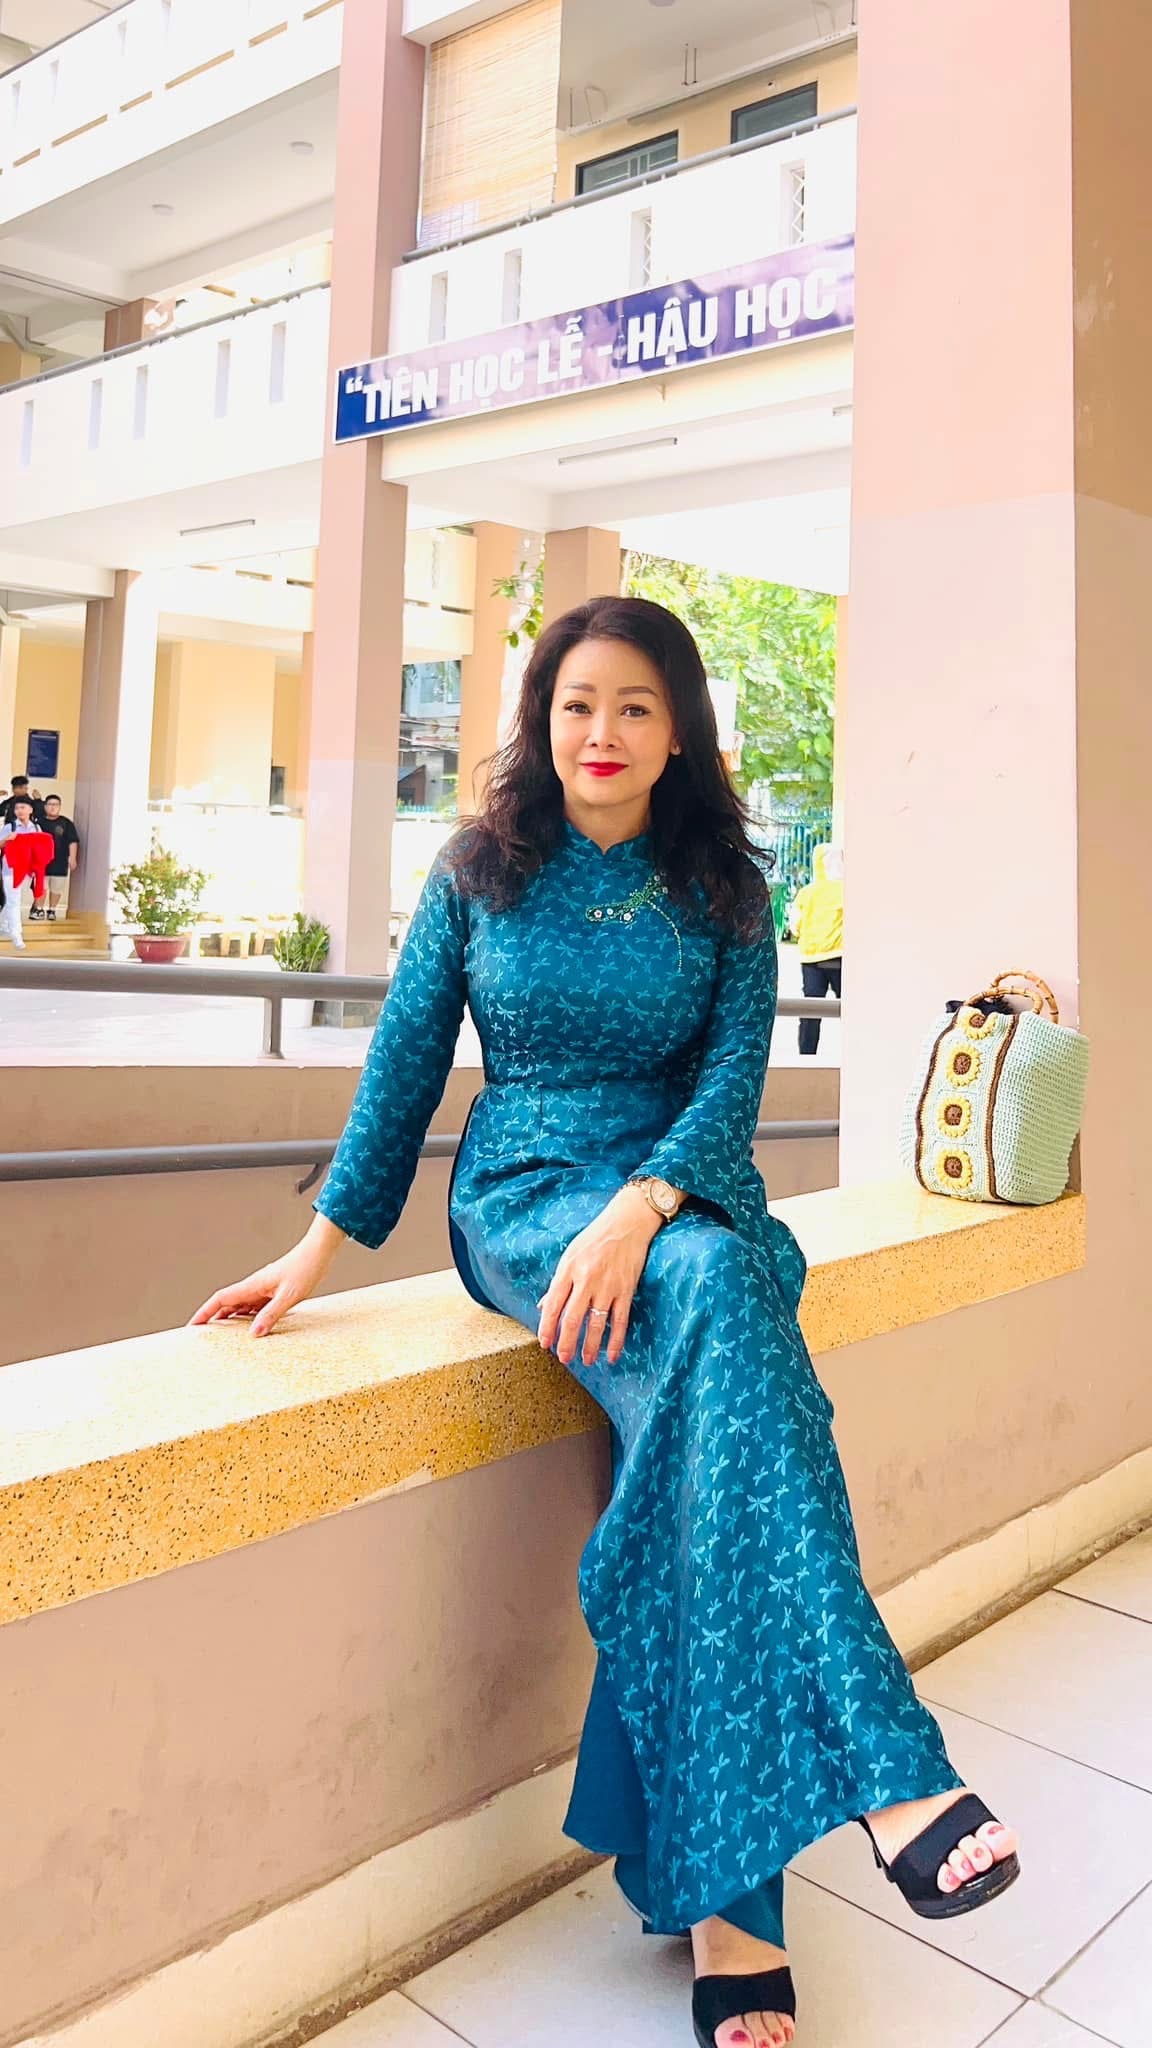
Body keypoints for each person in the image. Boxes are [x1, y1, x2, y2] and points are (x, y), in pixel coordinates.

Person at [192, 598, 1019, 2048]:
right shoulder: (479, 870)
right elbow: (403, 1067)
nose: (603, 731)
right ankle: (888, 1770)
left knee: (707, 1410)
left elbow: (732, 1085)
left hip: (676, 1195)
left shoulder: (728, 888)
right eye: (579, 703)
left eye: (636, 705)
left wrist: (643, 1206)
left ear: (679, 727)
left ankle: (730, 1911)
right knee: (722, 1307)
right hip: (525, 1196)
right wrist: (319, 1249)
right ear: (543, 717)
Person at [791, 844, 843, 1056]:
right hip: (840, 956)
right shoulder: (847, 891)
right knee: (850, 1012)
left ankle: (806, 1055)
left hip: (812, 959)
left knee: (810, 1011)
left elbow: (794, 926)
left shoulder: (806, 893)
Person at [0, 795, 50, 948]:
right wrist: (8, 839)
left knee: (12, 900)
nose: (19, 811)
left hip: (28, 869)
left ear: (30, 810)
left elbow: (40, 848)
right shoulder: (10, 827)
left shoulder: (36, 828)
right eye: (17, 808)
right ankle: (17, 935)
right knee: (14, 901)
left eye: (23, 807)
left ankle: (2, 924)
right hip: (10, 869)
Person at [36, 795, 80, 921]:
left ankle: (52, 910)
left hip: (60, 861)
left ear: (60, 807)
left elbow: (73, 841)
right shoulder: (38, 823)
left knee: (57, 888)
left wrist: (73, 858)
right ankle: (39, 909)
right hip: (41, 862)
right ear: (45, 806)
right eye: (50, 804)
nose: (53, 807)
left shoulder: (66, 823)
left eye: (56, 804)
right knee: (41, 887)